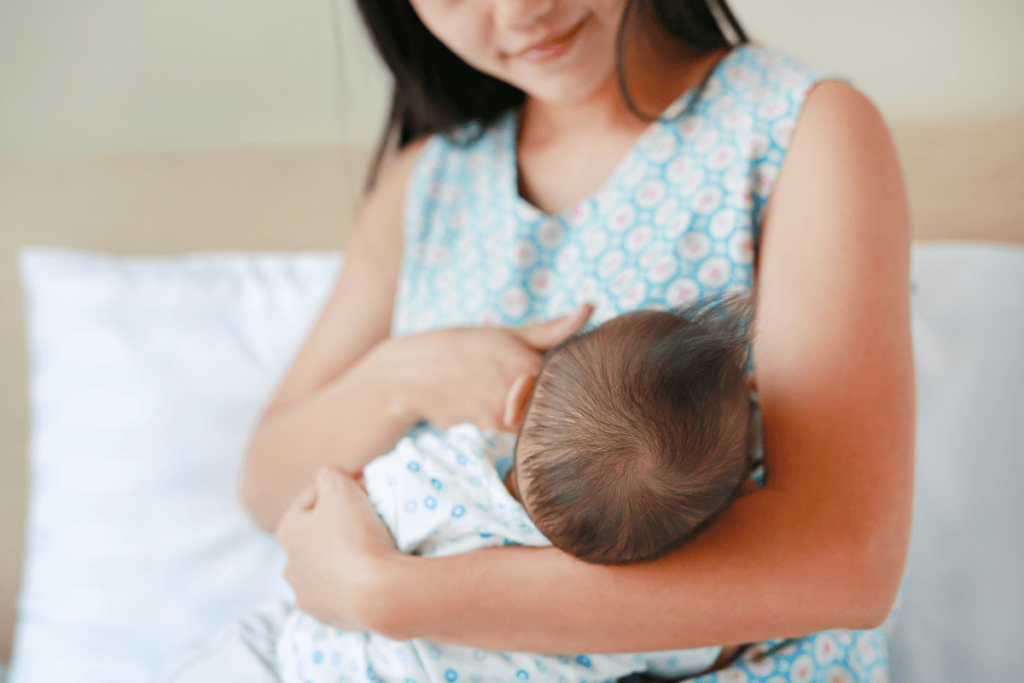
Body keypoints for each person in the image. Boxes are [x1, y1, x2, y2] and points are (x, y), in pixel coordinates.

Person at [246, 1, 914, 681]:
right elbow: (267, 487)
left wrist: (389, 595)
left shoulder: (795, 128)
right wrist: (407, 374)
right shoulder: (426, 185)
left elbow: (845, 565)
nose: (522, 11)